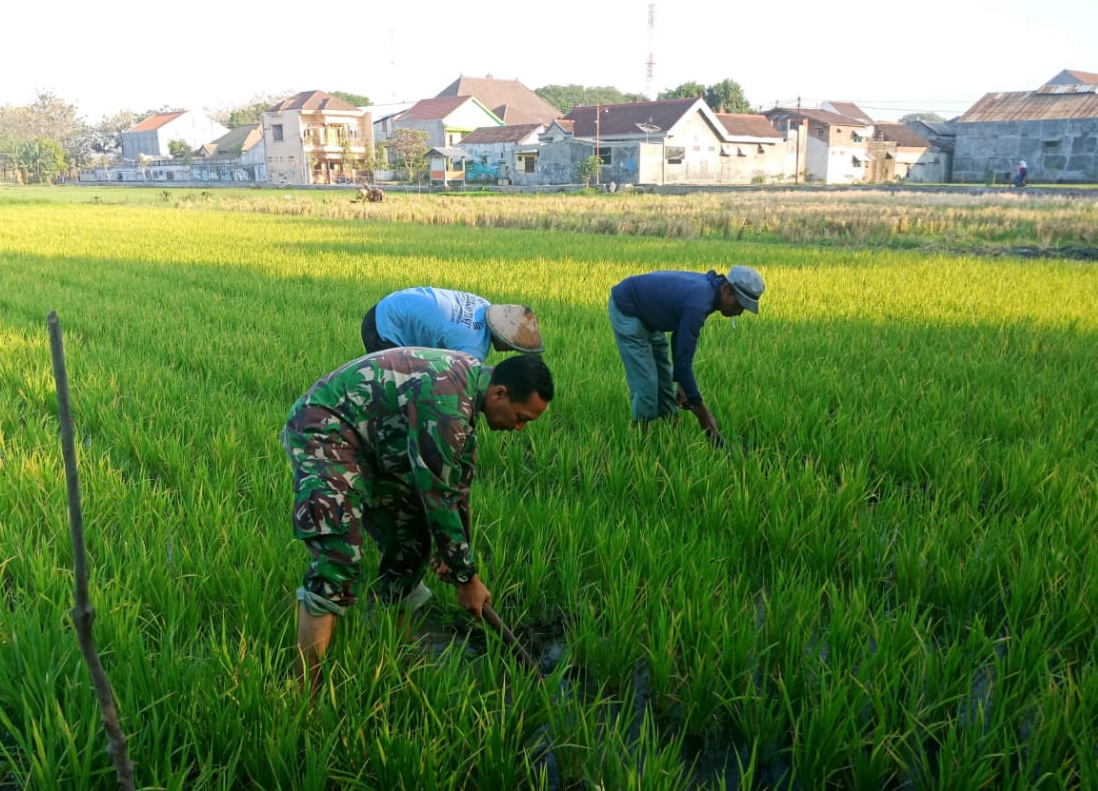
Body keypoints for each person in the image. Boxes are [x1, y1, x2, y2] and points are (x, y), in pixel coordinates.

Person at [281, 348, 554, 693]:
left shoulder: (468, 397)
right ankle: (308, 692)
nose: (519, 427)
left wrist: (453, 560)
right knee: (338, 557)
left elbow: (456, 491)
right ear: (499, 393)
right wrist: (465, 578)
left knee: (411, 540)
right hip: (325, 432)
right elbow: (436, 495)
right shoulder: (447, 402)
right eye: (521, 417)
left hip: (374, 445)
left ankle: (400, 653)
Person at [608, 265, 765, 445]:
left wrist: (683, 384)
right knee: (647, 381)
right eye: (739, 305)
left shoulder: (710, 292)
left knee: (664, 376)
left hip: (652, 316)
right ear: (726, 289)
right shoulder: (699, 302)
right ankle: (641, 443)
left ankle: (671, 436)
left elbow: (680, 337)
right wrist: (703, 414)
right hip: (628, 308)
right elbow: (683, 364)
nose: (739, 312)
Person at [361, 286, 544, 361]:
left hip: (387, 305)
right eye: (512, 346)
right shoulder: (473, 349)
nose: (509, 350)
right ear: (503, 338)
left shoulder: (482, 304)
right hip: (383, 330)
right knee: (401, 393)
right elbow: (455, 387)